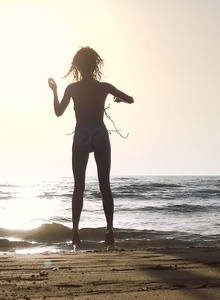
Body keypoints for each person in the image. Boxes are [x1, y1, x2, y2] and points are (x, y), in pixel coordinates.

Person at [48, 46, 134, 247]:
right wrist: (119, 99)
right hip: (100, 134)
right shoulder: (104, 87)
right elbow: (131, 99)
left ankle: (76, 232)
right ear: (95, 65)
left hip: (82, 135)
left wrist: (54, 91)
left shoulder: (72, 89)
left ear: (76, 66)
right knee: (105, 185)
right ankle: (110, 231)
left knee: (79, 186)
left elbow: (58, 112)